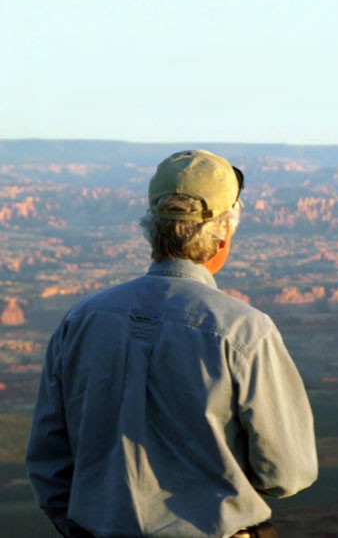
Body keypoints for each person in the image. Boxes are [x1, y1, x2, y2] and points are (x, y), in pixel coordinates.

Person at [26, 149, 318, 538]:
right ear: (224, 232)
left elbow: (49, 464)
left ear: (152, 227)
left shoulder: (81, 321)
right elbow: (287, 473)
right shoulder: (244, 332)